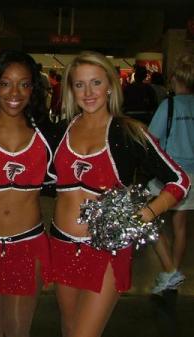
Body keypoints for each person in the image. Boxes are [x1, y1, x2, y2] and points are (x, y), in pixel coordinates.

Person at [50, 51, 190, 337]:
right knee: (68, 328)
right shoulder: (62, 130)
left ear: (111, 85)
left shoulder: (128, 133)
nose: (88, 93)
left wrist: (144, 215)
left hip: (105, 251)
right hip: (62, 245)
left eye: (96, 83)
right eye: (79, 85)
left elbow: (179, 180)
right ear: (70, 90)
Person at [0, 50, 55, 337]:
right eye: (5, 83)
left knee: (19, 330)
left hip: (28, 244)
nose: (14, 92)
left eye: (24, 84)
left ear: (34, 88)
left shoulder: (48, 134)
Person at [148, 54, 194, 294]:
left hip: (170, 173)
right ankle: (172, 271)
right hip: (193, 175)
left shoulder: (170, 105)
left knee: (148, 218)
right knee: (181, 226)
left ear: (176, 79)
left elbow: (153, 138)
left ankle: (169, 273)